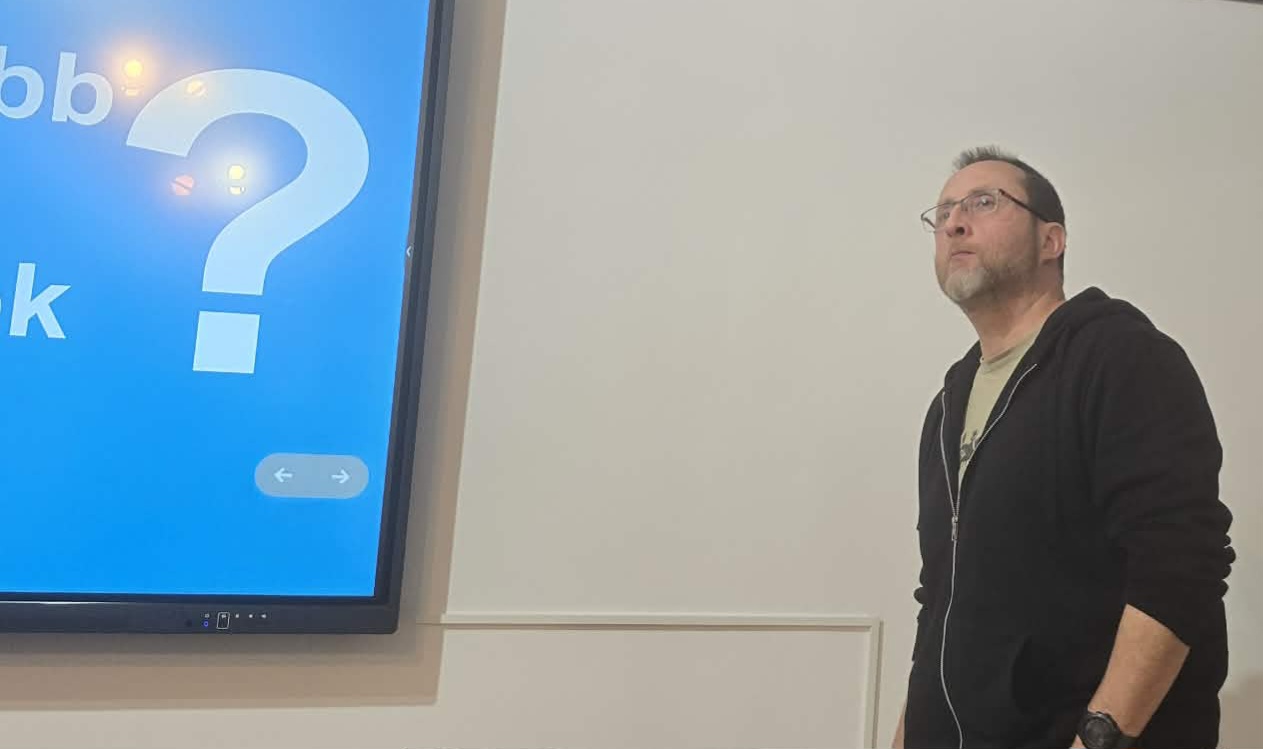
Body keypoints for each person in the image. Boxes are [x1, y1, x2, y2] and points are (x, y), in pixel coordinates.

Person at [892, 147, 1234, 749]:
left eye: (983, 202)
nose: (954, 224)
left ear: (1051, 240)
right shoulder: (947, 406)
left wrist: (1099, 739)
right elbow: (937, 600)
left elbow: (1180, 565)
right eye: (942, 213)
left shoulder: (1122, 358)